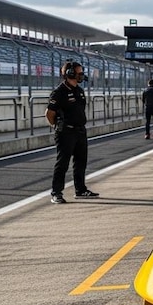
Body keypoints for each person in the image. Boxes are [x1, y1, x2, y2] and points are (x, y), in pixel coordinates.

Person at [46, 60, 98, 204]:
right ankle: (56, 192)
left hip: (80, 131)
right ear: (70, 74)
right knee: (62, 163)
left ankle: (80, 190)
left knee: (81, 162)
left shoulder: (79, 91)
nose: (82, 76)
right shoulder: (59, 92)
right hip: (66, 132)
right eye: (79, 73)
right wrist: (57, 126)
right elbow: (49, 113)